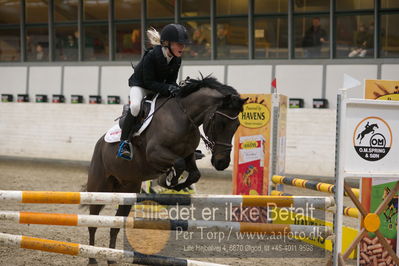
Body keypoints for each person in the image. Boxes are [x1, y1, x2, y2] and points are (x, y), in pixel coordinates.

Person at [117, 24, 190, 160]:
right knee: (135, 106)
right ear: (167, 44)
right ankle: (124, 142)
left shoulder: (177, 59)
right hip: (141, 86)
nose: (182, 47)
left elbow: (171, 81)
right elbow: (149, 82)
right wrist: (168, 88)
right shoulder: (151, 56)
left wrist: (175, 88)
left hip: (158, 87)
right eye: (179, 44)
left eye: (183, 44)